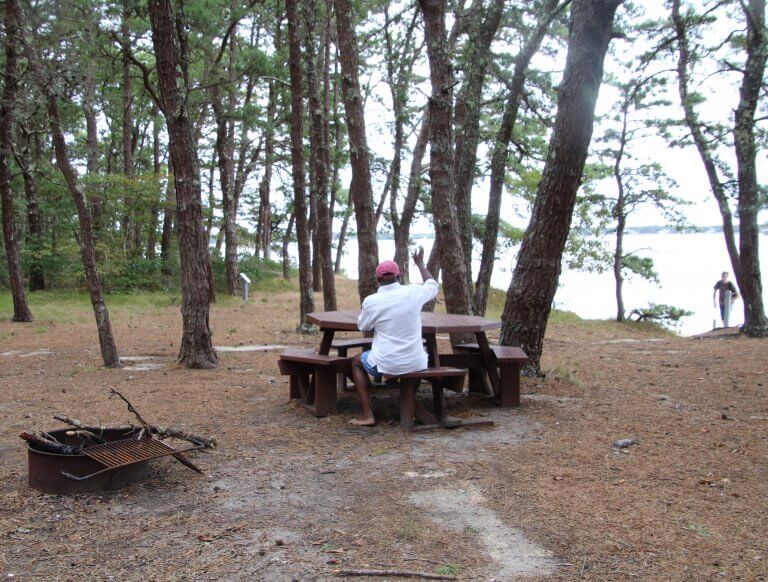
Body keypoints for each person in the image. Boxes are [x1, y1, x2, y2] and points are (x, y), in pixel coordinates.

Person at [349, 248, 439, 426]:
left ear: (378, 279)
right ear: (399, 276)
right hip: (416, 362)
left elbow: (363, 326)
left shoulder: (372, 301)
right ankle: (408, 409)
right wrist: (420, 264)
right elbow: (433, 285)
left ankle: (367, 414)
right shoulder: (413, 293)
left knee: (356, 362)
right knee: (414, 364)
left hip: (385, 362)